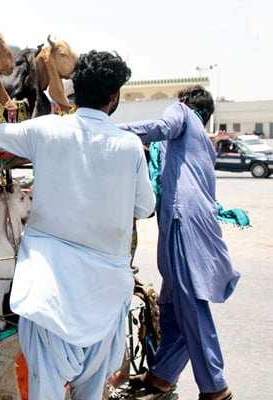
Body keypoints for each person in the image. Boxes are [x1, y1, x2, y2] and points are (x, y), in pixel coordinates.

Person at [0, 50, 155, 400]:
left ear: (75, 91)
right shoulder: (130, 146)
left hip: (50, 297)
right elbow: (145, 206)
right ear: (114, 97)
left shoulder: (46, 131)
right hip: (106, 297)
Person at [118, 86, 238, 400]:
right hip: (194, 219)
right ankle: (162, 375)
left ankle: (215, 386)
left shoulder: (182, 113)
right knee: (171, 305)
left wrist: (108, 131)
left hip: (182, 217)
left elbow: (160, 128)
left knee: (188, 300)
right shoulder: (203, 140)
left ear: (185, 103)